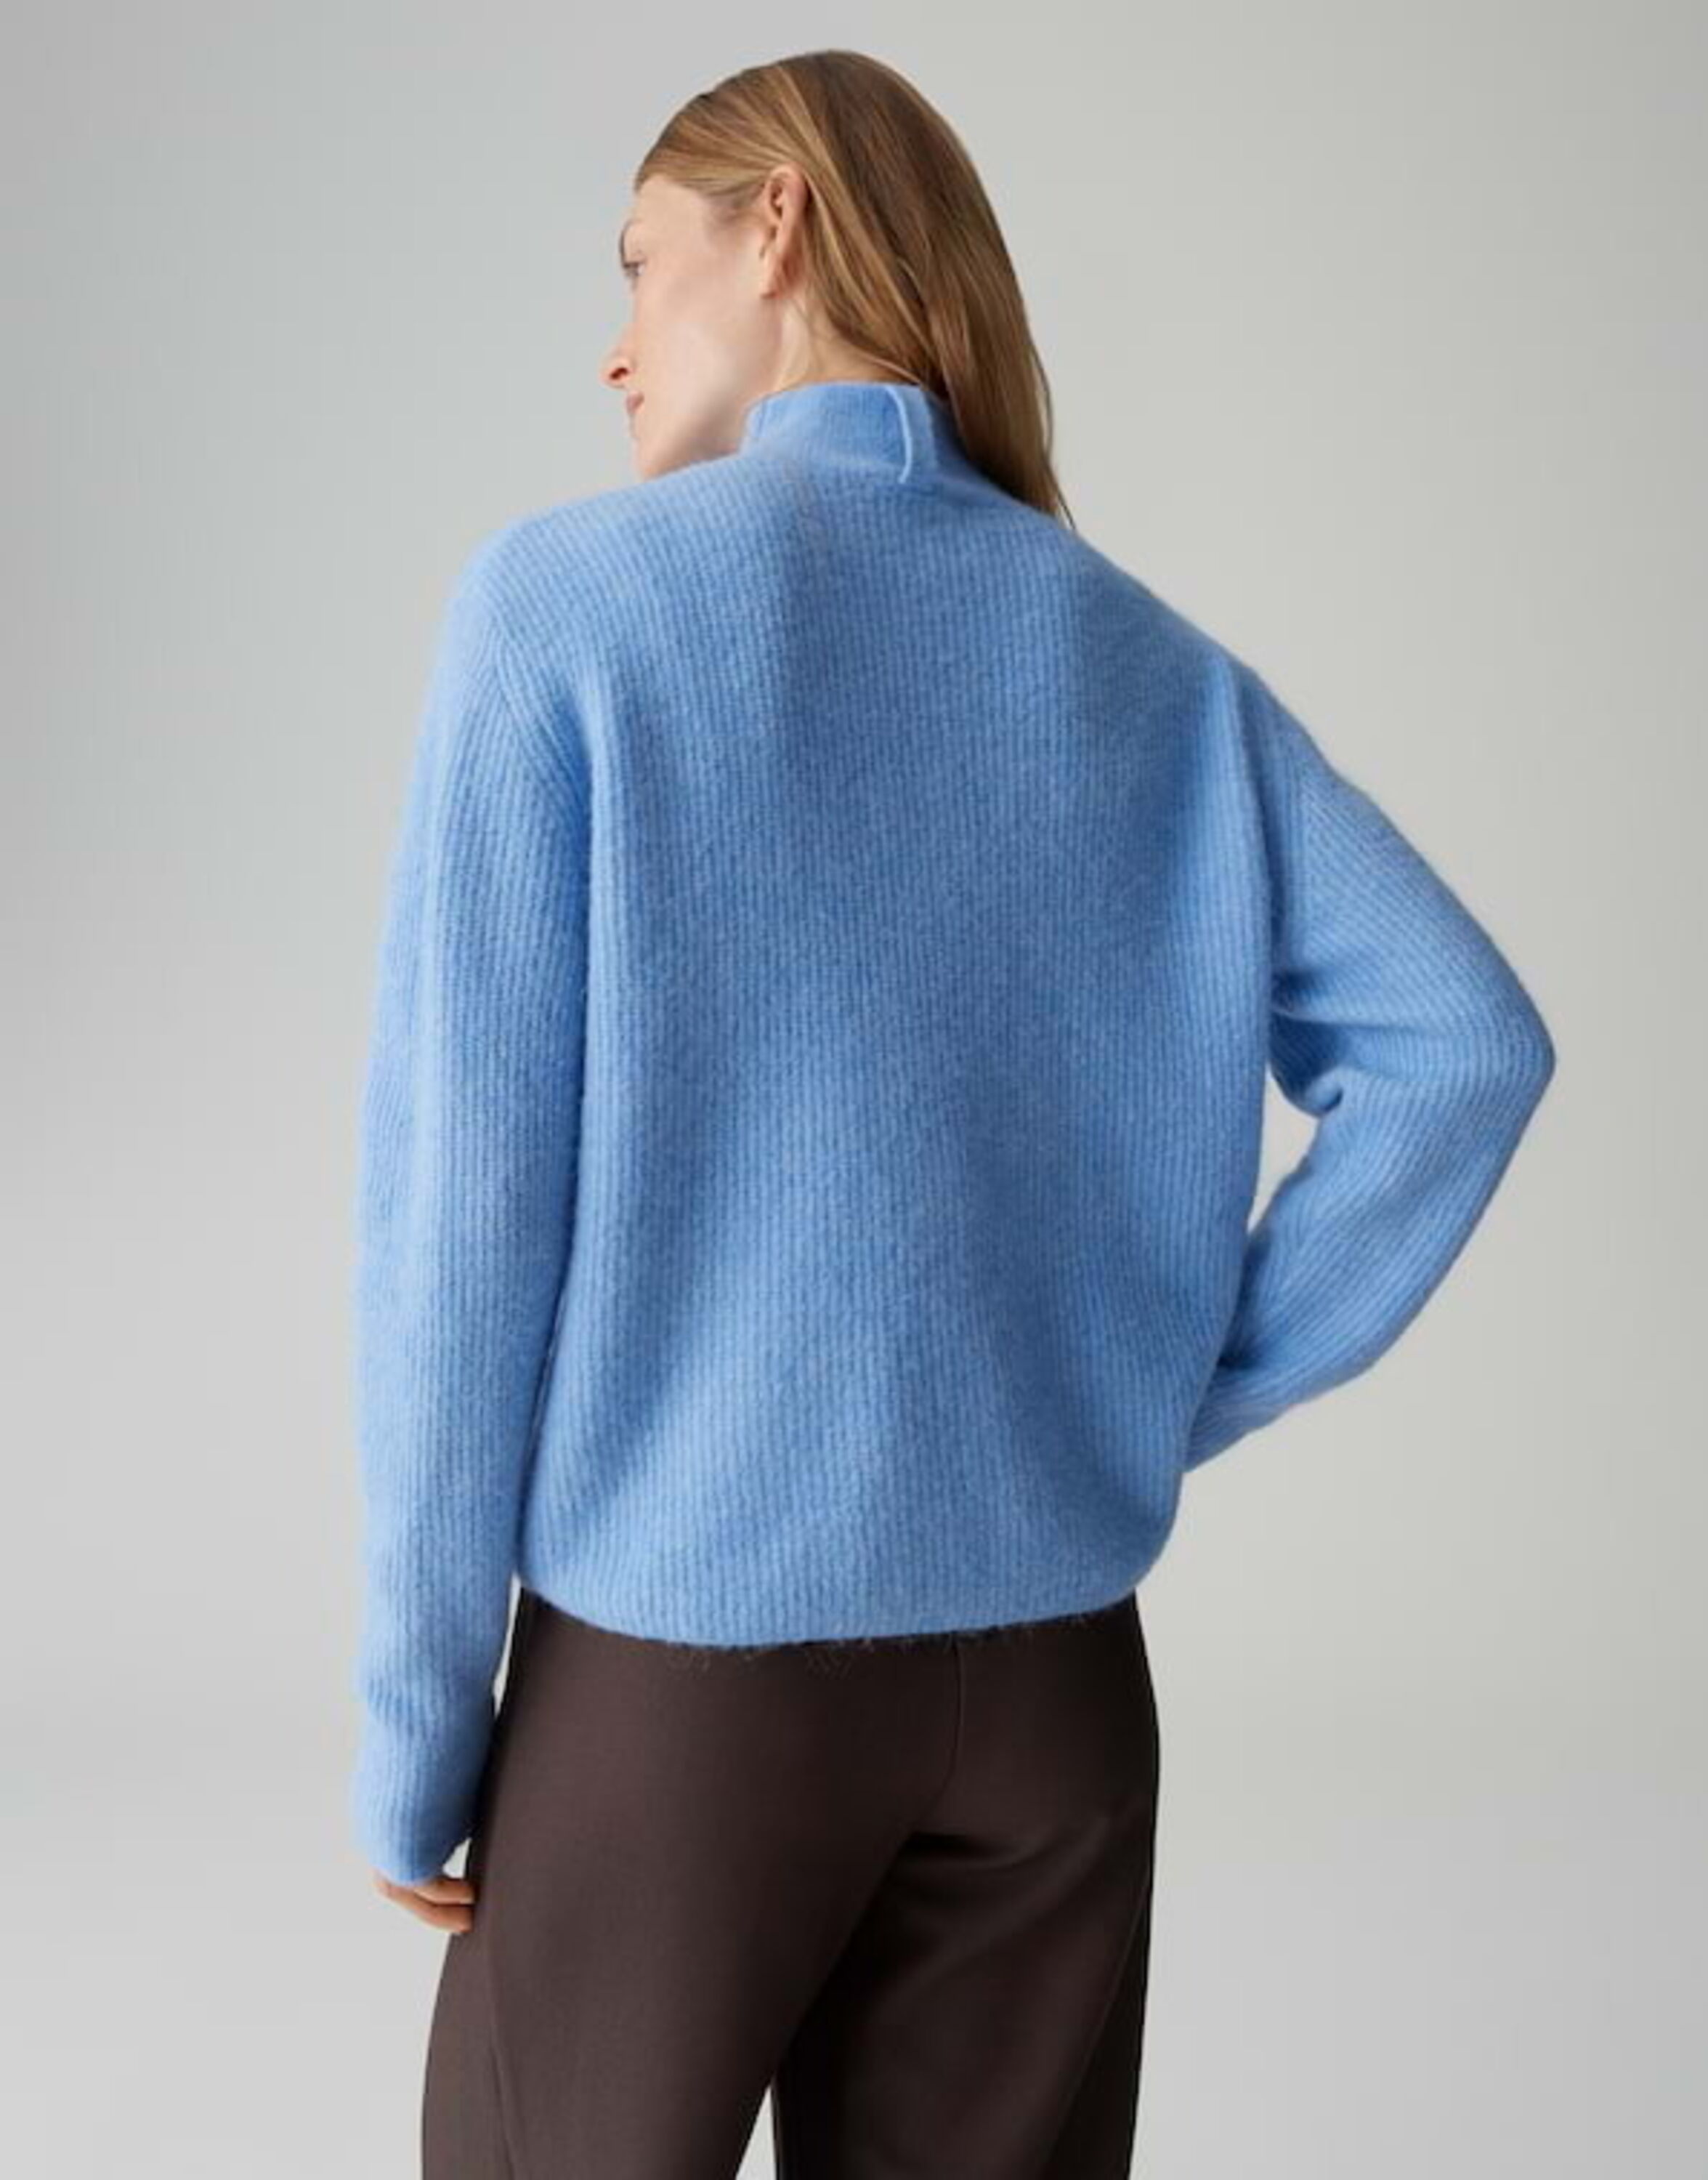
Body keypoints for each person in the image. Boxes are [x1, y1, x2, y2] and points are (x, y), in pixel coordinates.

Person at [347, 47, 1557, 2180]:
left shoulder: (563, 611)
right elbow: (1462, 1049)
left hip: (686, 1686)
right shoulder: (1154, 667)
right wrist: (1150, 1398)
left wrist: (420, 1728)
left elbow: (464, 1224)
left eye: (638, 259)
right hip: (1059, 1686)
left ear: (780, 223)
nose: (614, 340)